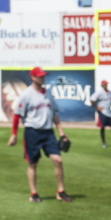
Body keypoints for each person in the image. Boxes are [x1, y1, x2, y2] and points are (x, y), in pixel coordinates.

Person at [6, 67, 73, 203]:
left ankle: (60, 191)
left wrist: (61, 131)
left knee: (58, 160)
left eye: (44, 76)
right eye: (40, 76)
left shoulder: (48, 94)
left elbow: (54, 113)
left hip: (48, 133)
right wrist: (14, 134)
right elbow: (17, 115)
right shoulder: (26, 95)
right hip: (32, 133)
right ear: (33, 78)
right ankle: (34, 193)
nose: (43, 78)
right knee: (33, 163)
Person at [90, 80, 111, 148]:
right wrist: (97, 107)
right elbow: (92, 99)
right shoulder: (99, 92)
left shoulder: (109, 92)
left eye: (106, 84)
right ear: (102, 85)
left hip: (109, 112)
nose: (106, 85)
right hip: (103, 112)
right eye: (104, 84)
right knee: (103, 127)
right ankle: (104, 143)